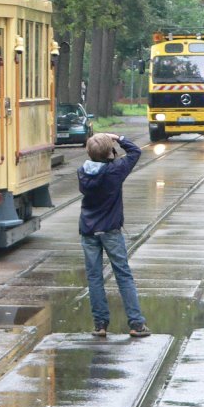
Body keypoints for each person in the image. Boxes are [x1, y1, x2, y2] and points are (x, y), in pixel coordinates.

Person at [78, 132, 151, 338]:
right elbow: (135, 151)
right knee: (123, 275)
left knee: (94, 278)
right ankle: (136, 324)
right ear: (110, 151)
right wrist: (118, 137)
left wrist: (103, 145)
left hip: (88, 230)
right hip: (110, 230)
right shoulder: (116, 171)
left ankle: (100, 325)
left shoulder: (82, 172)